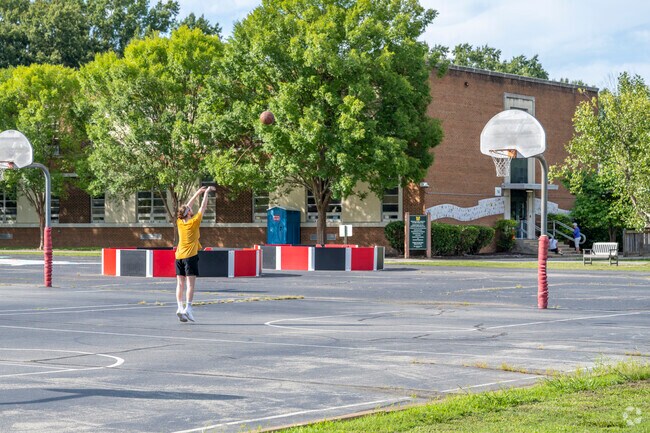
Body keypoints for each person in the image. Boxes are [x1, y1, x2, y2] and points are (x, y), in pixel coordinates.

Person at [175, 186, 215, 322]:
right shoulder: (194, 222)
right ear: (188, 213)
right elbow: (202, 207)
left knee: (180, 284)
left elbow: (187, 206)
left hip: (178, 256)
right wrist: (206, 193)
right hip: (190, 256)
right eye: (189, 209)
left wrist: (197, 192)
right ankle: (188, 309)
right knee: (190, 284)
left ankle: (180, 307)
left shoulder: (180, 222)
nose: (191, 208)